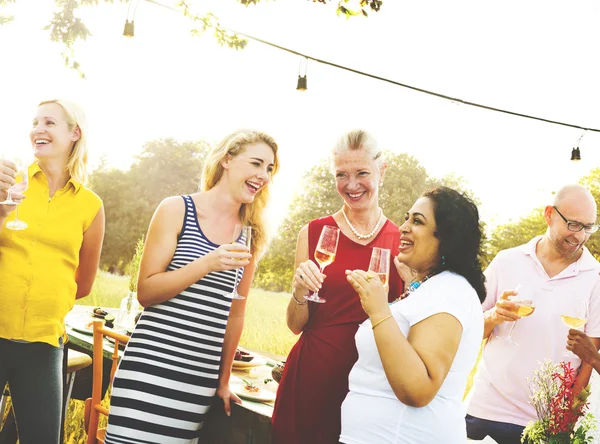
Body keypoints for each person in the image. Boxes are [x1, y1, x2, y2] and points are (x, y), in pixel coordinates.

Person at [104, 129, 279, 443]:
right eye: (256, 163)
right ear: (227, 159)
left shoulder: (250, 235)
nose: (263, 175)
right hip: (148, 369)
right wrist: (207, 264)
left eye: (269, 169)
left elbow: (235, 315)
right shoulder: (176, 210)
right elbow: (146, 291)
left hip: (196, 383)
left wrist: (223, 381)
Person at [271, 129, 405, 444]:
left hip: (370, 391)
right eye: (341, 175)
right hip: (310, 380)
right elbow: (294, 325)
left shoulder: (403, 242)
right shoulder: (314, 232)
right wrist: (299, 293)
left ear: (381, 171)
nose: (351, 185)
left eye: (362, 173)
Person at [341, 186, 486, 444]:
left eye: (417, 221)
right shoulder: (433, 288)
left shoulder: (450, 292)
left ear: (447, 238)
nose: (403, 227)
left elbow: (418, 388)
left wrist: (378, 310)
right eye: (407, 218)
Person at [0, 99, 105, 444]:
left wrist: (46, 301)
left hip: (44, 344)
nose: (37, 129)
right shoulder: (6, 184)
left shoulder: (90, 206)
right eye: (34, 122)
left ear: (75, 133)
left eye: (49, 122)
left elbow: (84, 282)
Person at [466, 184, 600, 444]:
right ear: (549, 214)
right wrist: (494, 316)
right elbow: (467, 332)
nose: (580, 236)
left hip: (545, 423)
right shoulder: (505, 261)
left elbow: (589, 358)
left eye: (588, 227)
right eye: (573, 224)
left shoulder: (595, 277)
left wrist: (567, 419)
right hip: (486, 409)